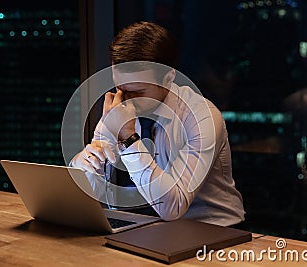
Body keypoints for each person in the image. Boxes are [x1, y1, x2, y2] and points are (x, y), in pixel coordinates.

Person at [70, 21, 245, 226]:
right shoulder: (121, 105)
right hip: (141, 228)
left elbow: (173, 207)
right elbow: (94, 192)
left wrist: (128, 138)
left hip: (212, 230)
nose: (128, 100)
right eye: (121, 89)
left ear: (169, 78)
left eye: (139, 91)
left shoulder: (201, 117)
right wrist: (84, 168)